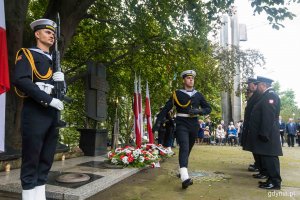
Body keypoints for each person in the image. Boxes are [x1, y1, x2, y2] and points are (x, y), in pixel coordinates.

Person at [13, 19, 65, 200]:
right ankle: (28, 196)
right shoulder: (27, 54)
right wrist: (48, 99)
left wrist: (61, 81)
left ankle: (39, 196)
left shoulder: (54, 60)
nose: (52, 35)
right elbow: (21, 79)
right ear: (37, 34)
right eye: (47, 32)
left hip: (52, 114)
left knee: (46, 157)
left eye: (53, 33)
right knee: (32, 157)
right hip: (35, 112)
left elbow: (60, 90)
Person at [153, 70, 211, 189]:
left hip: (194, 124)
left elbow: (208, 108)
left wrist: (199, 111)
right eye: (189, 78)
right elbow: (166, 108)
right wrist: (158, 122)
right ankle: (185, 177)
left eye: (192, 78)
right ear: (184, 80)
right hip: (181, 123)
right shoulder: (177, 94)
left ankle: (182, 170)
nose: (191, 80)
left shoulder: (198, 94)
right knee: (184, 147)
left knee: (188, 148)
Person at [247, 76, 282, 190]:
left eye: (258, 85)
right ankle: (271, 179)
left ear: (263, 85)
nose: (256, 88)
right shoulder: (267, 95)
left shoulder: (270, 95)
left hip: (268, 134)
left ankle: (275, 182)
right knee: (267, 157)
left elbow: (268, 116)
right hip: (266, 133)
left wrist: (264, 133)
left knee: (270, 158)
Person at [242, 78, 261, 173]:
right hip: (250, 126)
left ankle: (259, 165)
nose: (248, 86)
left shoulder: (259, 95)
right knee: (253, 147)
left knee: (256, 148)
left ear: (254, 84)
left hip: (255, 126)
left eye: (249, 84)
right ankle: (258, 164)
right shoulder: (255, 95)